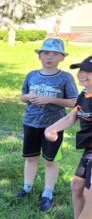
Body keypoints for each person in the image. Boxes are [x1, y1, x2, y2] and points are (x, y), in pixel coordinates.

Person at [17, 38, 78, 212]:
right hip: (31, 122)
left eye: (54, 54)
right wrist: (29, 97)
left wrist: (49, 99)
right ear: (39, 56)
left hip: (53, 127)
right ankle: (27, 187)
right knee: (31, 157)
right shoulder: (31, 75)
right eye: (45, 53)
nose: (49, 57)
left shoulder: (65, 77)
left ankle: (47, 193)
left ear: (62, 58)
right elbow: (22, 96)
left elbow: (74, 102)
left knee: (50, 160)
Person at [45, 56, 92, 219]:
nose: (82, 74)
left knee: (90, 195)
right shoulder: (84, 95)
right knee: (77, 185)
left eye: (89, 71)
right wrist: (52, 129)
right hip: (89, 150)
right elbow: (71, 117)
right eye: (81, 70)